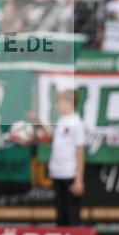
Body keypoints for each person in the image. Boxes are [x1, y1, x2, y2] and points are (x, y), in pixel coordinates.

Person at [26, 89, 85, 226]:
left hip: (70, 173)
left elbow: (80, 151)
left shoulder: (76, 123)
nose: (57, 105)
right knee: (60, 214)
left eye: (59, 102)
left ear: (69, 103)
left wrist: (79, 180)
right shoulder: (61, 120)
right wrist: (39, 121)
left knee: (72, 215)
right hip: (57, 173)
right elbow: (51, 138)